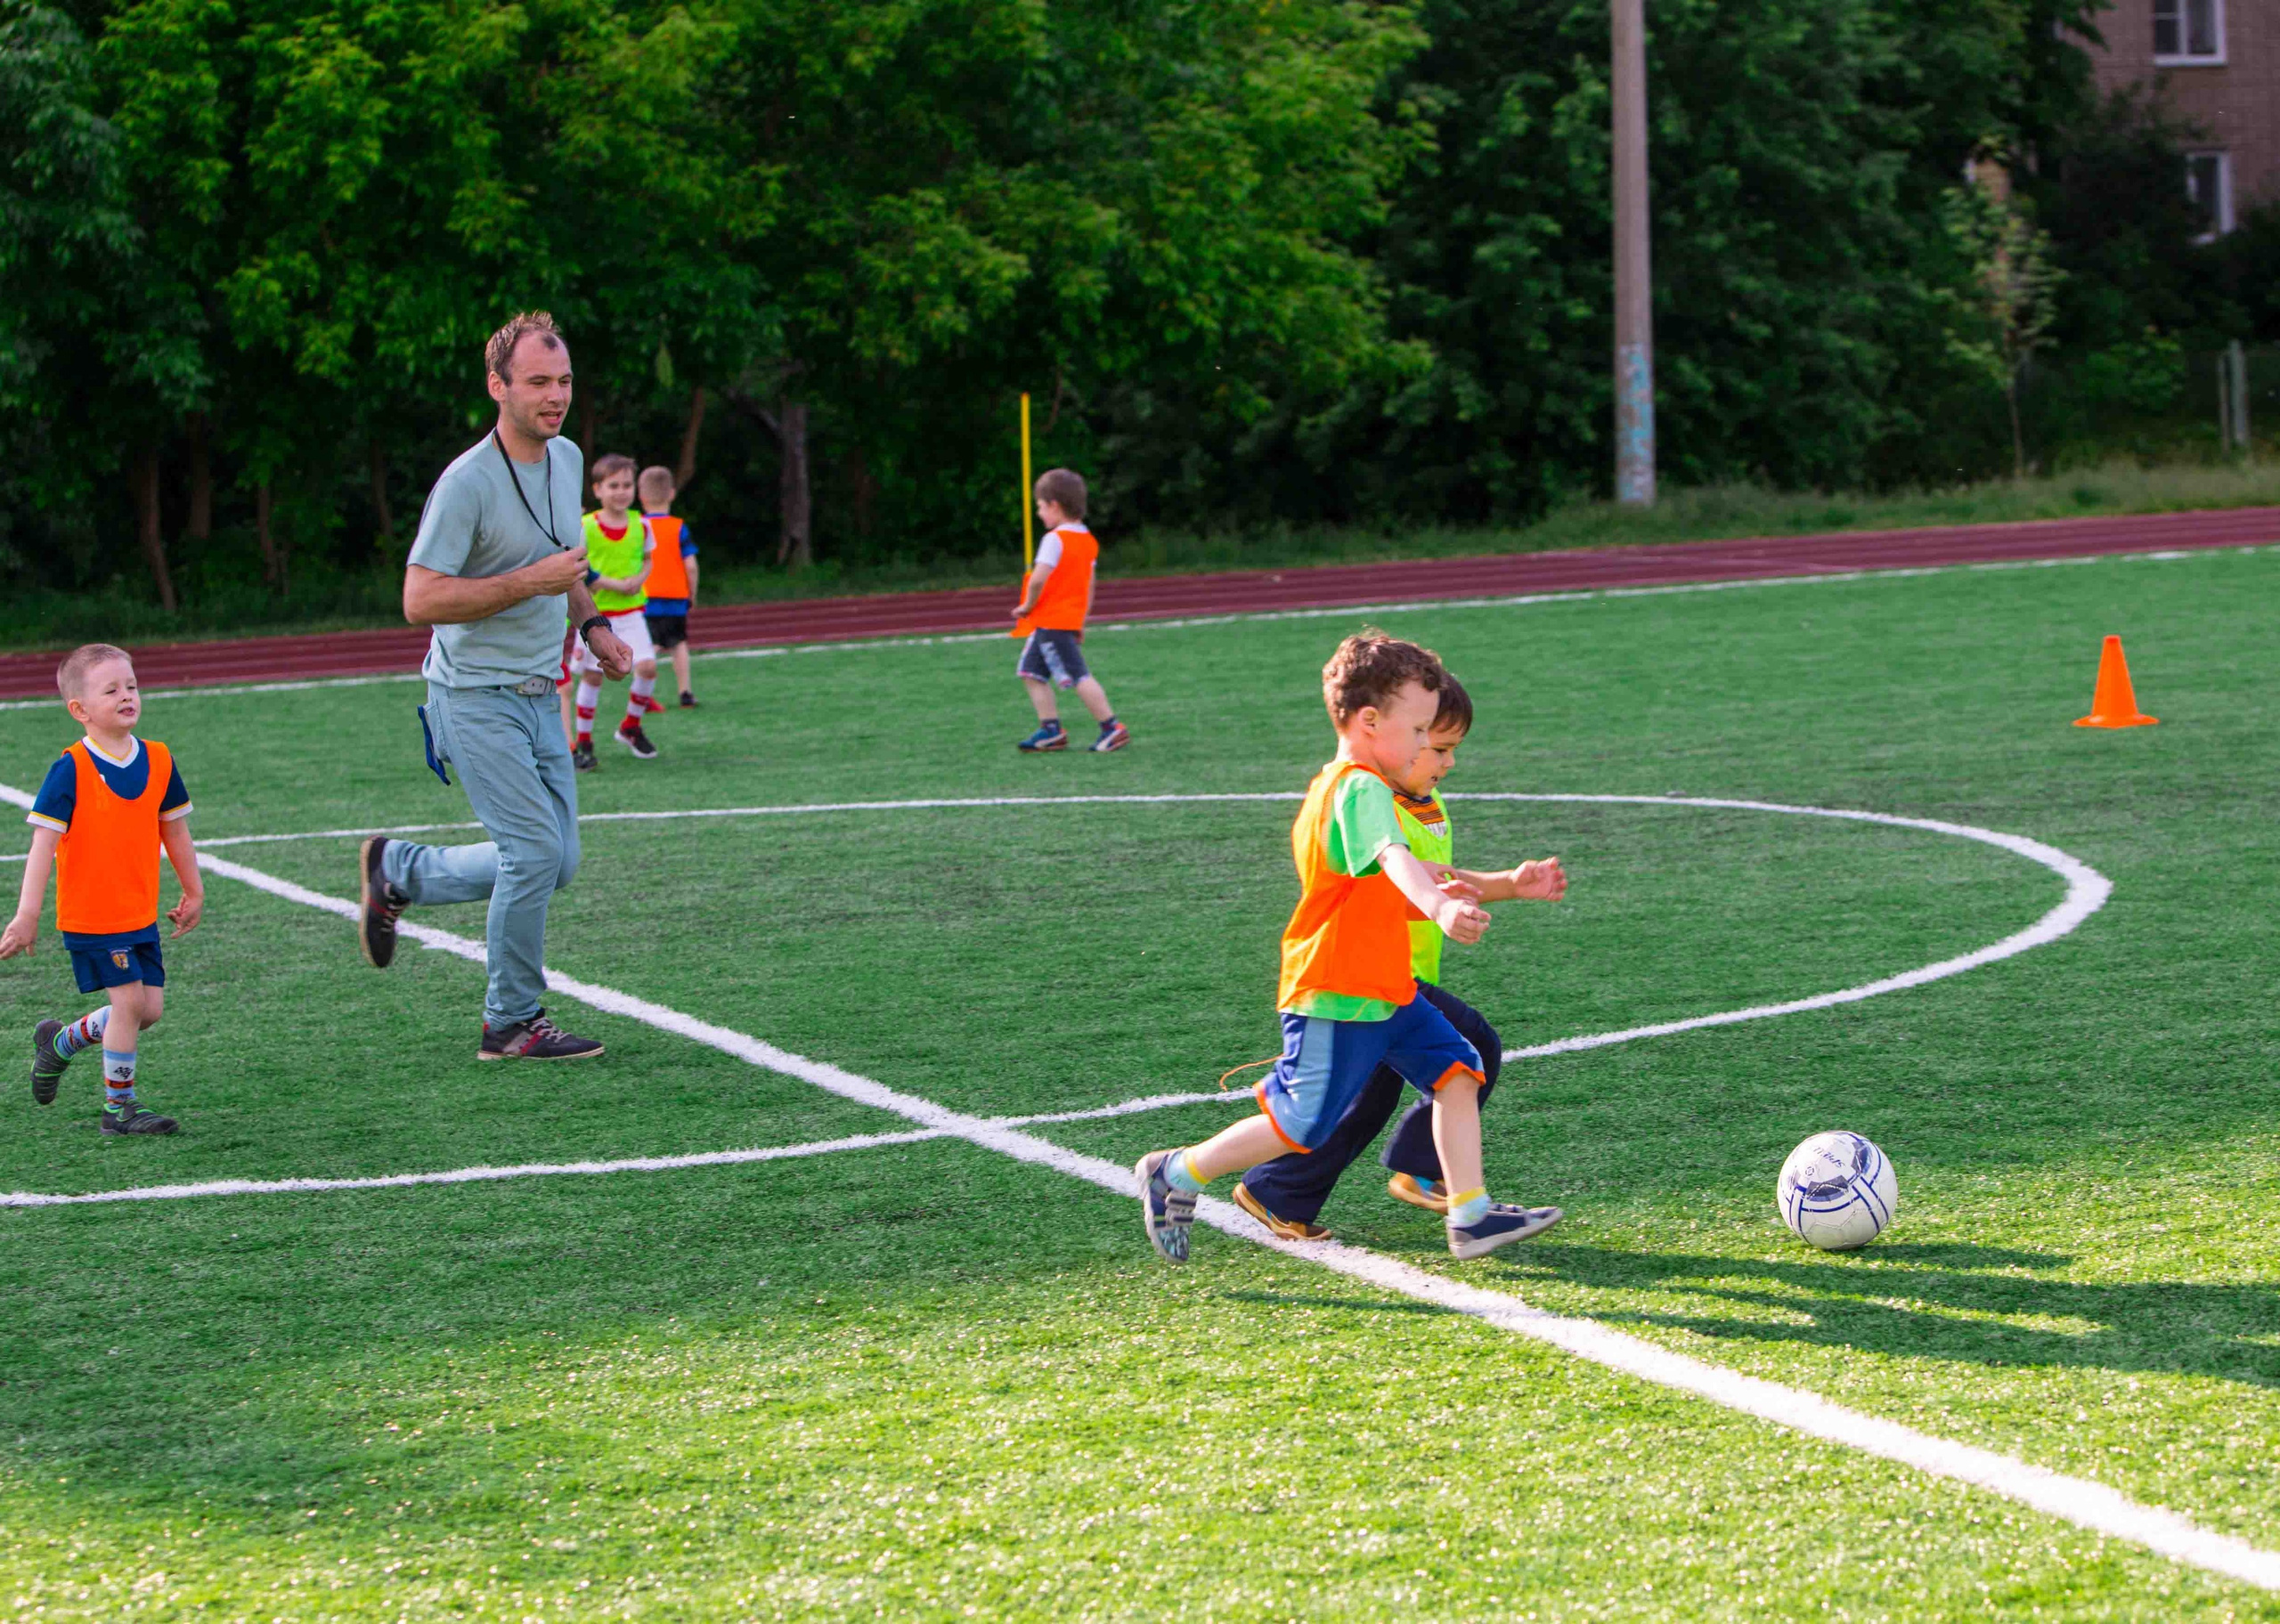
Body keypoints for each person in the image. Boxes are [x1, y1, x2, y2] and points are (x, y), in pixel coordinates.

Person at [1136, 631, 1564, 1263]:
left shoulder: (1359, 786)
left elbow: (1409, 862)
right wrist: (1441, 906)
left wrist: (1486, 888)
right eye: (1419, 731)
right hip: (1338, 989)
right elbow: (1395, 858)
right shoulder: (1358, 788)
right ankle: (1176, 1172)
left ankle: (1470, 1214)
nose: (1426, 746)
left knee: (1458, 1070)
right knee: (1300, 1123)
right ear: (1369, 722)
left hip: (1388, 986)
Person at [355, 310, 632, 1061]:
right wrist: (524, 585)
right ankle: (510, 1021)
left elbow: (563, 560)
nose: (555, 395)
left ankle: (399, 870)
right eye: (538, 382)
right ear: (498, 387)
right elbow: (419, 600)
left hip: (543, 692)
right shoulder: (466, 483)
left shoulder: (568, 457)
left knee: (555, 861)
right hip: (475, 698)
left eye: (564, 380)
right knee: (537, 854)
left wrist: (593, 625)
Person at [1233, 674, 1568, 1240]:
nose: (1441, 759)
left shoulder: (1424, 801)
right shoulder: (1369, 799)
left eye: (1445, 747)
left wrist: (1509, 885)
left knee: (1370, 1096)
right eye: (1432, 744)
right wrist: (1439, 906)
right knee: (1466, 1052)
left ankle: (1279, 1189)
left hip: (1392, 975)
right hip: (1370, 977)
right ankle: (1425, 1176)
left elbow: (1440, 876)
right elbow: (1401, 870)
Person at [0, 645, 203, 1135]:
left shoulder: (158, 759)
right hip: (91, 917)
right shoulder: (69, 768)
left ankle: (60, 1043)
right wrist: (27, 915)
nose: (127, 695)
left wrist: (193, 890)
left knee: (146, 1011)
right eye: (111, 689)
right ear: (80, 710)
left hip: (139, 914)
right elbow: (41, 845)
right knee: (129, 1005)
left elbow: (174, 830)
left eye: (131, 686)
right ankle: (119, 1110)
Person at [1010, 467, 1128, 752]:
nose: (1039, 513)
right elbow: (1089, 586)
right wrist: (1081, 621)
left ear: (1055, 506)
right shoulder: (1087, 539)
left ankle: (1111, 727)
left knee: (1078, 676)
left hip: (1052, 621)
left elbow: (1038, 578)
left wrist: (1027, 605)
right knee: (1031, 673)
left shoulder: (1055, 539)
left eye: (1040, 506)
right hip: (1062, 621)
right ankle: (1050, 730)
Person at [568, 453, 660, 767]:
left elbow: (648, 559)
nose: (621, 491)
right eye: (613, 485)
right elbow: (579, 566)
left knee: (647, 668)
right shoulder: (586, 526)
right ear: (597, 490)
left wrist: (638, 580)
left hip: (633, 613)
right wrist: (611, 584)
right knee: (593, 678)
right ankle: (585, 741)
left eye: (627, 485)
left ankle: (631, 726)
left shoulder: (641, 524)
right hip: (596, 618)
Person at [637, 465, 701, 708]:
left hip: (646, 595)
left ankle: (643, 694)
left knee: (649, 645)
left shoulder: (638, 527)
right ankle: (685, 692)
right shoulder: (678, 527)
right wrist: (691, 592)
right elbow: (691, 565)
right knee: (678, 643)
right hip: (675, 595)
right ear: (672, 494)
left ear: (641, 497)